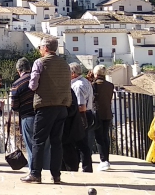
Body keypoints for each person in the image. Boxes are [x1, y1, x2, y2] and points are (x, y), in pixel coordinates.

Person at [22, 38, 74, 184]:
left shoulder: (39, 62)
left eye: (40, 47)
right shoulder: (65, 64)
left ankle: (35, 174)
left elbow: (33, 85)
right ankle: (56, 175)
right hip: (62, 106)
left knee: (38, 140)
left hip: (45, 106)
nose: (39, 49)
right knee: (56, 142)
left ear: (45, 48)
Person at [11, 57, 47, 173]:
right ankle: (47, 170)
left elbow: (14, 106)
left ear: (18, 70)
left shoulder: (17, 84)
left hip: (27, 117)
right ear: (30, 68)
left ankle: (34, 172)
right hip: (43, 115)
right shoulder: (40, 79)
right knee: (45, 146)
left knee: (31, 147)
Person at [65, 62, 94, 173]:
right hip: (87, 114)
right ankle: (85, 167)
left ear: (72, 73)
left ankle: (84, 168)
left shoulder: (77, 86)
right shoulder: (85, 82)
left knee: (80, 143)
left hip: (82, 115)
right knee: (83, 142)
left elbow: (81, 106)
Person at [91, 64, 115, 171]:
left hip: (98, 113)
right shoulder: (110, 85)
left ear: (96, 73)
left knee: (99, 138)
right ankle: (107, 159)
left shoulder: (94, 85)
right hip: (107, 113)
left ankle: (103, 160)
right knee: (105, 137)